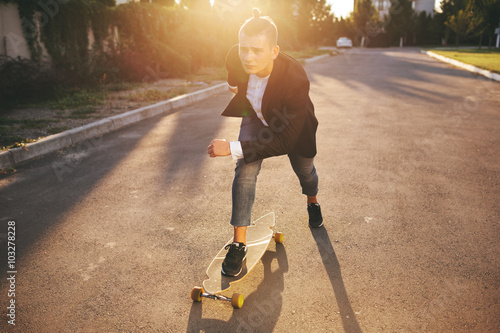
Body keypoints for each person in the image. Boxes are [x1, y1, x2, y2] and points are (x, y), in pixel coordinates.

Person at [207, 9, 322, 277]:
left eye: (257, 51)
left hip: (292, 128)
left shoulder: (296, 79)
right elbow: (234, 80)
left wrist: (232, 148)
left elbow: (283, 141)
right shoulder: (235, 58)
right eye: (243, 49)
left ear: (274, 51)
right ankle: (239, 244)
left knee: (305, 172)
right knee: (245, 169)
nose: (248, 57)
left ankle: (312, 201)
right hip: (257, 118)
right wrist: (240, 94)